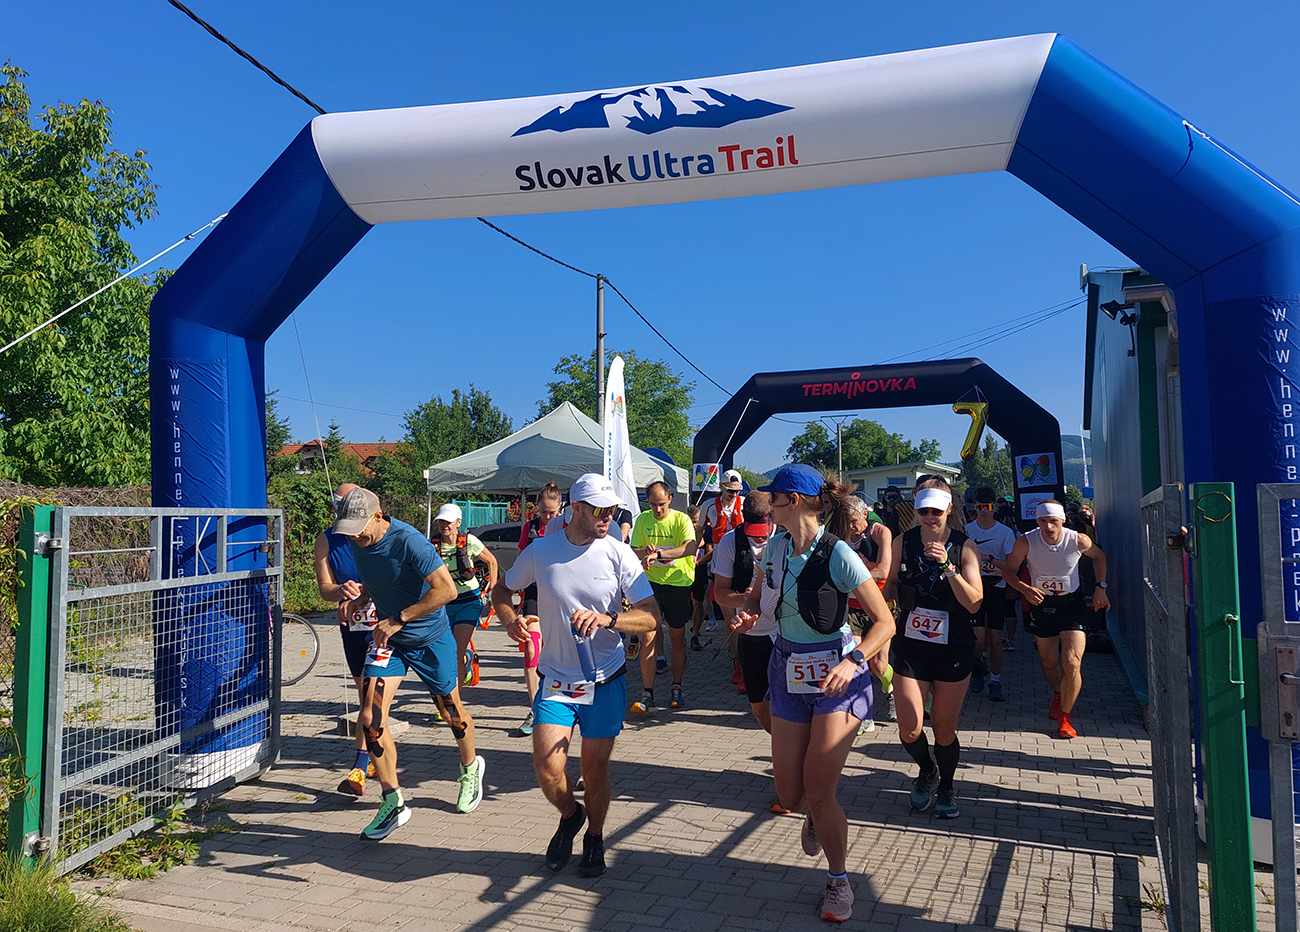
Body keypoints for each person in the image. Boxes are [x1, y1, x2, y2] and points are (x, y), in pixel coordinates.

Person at [733, 465, 895, 923]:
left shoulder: (838, 553)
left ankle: (839, 882)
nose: (767, 503)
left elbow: (885, 623)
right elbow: (756, 595)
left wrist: (853, 660)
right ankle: (814, 815)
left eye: (774, 496)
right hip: (786, 668)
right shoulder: (776, 547)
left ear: (796, 500)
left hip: (836, 677)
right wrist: (748, 613)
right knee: (790, 793)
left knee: (820, 791)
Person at [491, 474, 661, 878]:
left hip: (604, 678)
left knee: (594, 770)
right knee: (548, 768)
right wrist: (510, 619)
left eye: (612, 510)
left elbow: (652, 616)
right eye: (600, 510)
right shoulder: (541, 550)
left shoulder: (618, 554)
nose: (608, 516)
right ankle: (571, 816)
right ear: (576, 509)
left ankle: (595, 837)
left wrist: (609, 619)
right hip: (556, 679)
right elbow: (501, 590)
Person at [334, 487, 486, 839]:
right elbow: (377, 580)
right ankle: (393, 801)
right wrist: (362, 600)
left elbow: (446, 590)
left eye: (358, 529)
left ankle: (470, 768)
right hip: (391, 642)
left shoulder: (409, 541)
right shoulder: (358, 542)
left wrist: (399, 618)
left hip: (430, 639)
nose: (354, 537)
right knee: (370, 719)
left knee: (450, 712)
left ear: (377, 516)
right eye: (348, 530)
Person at [884, 476, 984, 821]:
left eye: (936, 512)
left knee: (943, 727)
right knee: (910, 727)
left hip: (953, 648)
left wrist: (948, 568)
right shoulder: (904, 541)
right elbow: (890, 584)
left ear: (948, 510)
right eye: (923, 511)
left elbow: (974, 602)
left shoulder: (964, 546)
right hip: (911, 646)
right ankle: (927, 770)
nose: (929, 517)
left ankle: (947, 786)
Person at [1002, 500, 1110, 739]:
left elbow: (1099, 557)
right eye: (1042, 521)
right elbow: (1009, 571)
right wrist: (1024, 589)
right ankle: (1059, 693)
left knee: (1072, 662)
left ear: (1063, 520)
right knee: (1048, 662)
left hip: (1071, 604)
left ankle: (1065, 717)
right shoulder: (1026, 541)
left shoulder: (1078, 540)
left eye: (1053, 521)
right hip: (1042, 604)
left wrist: (1100, 587)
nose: (1048, 527)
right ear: (1037, 521)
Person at [313, 482, 387, 796]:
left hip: (383, 625)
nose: (342, 508)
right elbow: (324, 588)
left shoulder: (377, 532)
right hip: (353, 627)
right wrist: (341, 592)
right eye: (338, 503)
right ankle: (373, 757)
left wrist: (366, 594)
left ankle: (360, 766)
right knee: (364, 696)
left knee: (372, 697)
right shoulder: (326, 540)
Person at [629, 480, 698, 712]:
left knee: (677, 639)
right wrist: (645, 552)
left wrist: (660, 554)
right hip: (651, 584)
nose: (657, 509)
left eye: (661, 504)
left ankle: (676, 687)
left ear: (670, 499)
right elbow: (633, 550)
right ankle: (647, 693)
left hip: (678, 584)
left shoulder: (681, 519)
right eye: (652, 504)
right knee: (648, 636)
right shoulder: (643, 520)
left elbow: (690, 548)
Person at [711, 491, 776, 734]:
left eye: (763, 532)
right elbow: (719, 593)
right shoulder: (731, 541)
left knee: (787, 705)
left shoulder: (785, 539)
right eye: (753, 532)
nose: (759, 538)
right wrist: (744, 598)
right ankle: (785, 743)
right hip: (751, 634)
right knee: (760, 709)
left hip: (784, 632)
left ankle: (791, 750)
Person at [514, 483, 563, 735]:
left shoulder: (566, 526)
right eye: (543, 512)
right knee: (531, 649)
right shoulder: (530, 527)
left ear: (561, 508)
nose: (547, 517)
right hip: (534, 591)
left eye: (552, 512)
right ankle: (535, 708)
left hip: (560, 593)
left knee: (558, 649)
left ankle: (560, 703)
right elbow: (521, 559)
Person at [843, 496, 895, 732]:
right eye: (846, 521)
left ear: (865, 514)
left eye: (854, 521)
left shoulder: (880, 532)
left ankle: (891, 690)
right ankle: (864, 714)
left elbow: (883, 570)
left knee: (879, 665)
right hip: (852, 607)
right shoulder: (841, 535)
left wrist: (851, 576)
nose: (850, 526)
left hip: (879, 606)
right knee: (857, 659)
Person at [432, 503, 497, 688]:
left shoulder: (469, 541)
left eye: (448, 522)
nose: (444, 525)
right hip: (445, 602)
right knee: (445, 652)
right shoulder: (432, 544)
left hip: (469, 601)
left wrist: (493, 592)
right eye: (441, 521)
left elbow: (492, 562)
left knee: (456, 651)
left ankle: (454, 698)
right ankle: (466, 663)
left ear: (458, 522)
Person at [963, 487, 1019, 702]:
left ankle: (995, 681)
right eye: (980, 507)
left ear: (995, 507)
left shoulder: (1005, 532)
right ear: (974, 508)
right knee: (978, 638)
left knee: (995, 639)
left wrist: (988, 559)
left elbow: (1011, 566)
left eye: (988, 507)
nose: (984, 511)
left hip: (997, 586)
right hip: (974, 587)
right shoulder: (967, 530)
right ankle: (978, 671)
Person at [697, 469, 746, 676]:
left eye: (737, 491)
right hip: (719, 559)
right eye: (730, 490)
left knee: (745, 612)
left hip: (742, 558)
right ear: (721, 487)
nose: (733, 494)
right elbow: (699, 531)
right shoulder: (708, 506)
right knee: (729, 616)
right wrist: (694, 552)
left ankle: (745, 660)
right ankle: (738, 663)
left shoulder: (745, 504)